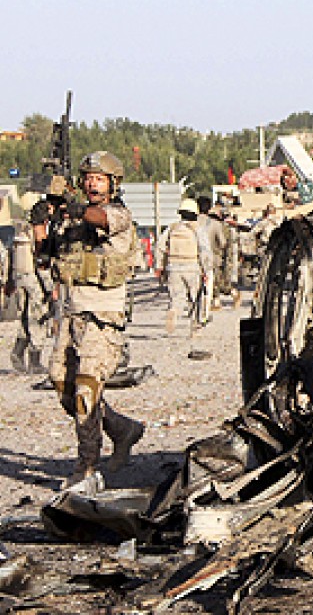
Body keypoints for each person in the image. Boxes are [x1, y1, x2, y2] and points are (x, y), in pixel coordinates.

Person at [47, 151, 144, 490]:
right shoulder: (74, 221)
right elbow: (47, 255)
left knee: (85, 392)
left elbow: (100, 219)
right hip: (73, 315)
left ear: (112, 184)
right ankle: (121, 429)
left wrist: (74, 209)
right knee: (62, 386)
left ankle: (86, 468)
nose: (91, 183)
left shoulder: (118, 215)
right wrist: (43, 217)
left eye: (99, 179)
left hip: (104, 317)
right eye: (87, 178)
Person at [154, 198, 213, 335]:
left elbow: (160, 247)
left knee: (176, 298)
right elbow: (204, 250)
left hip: (173, 267)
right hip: (192, 267)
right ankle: (195, 327)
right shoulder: (197, 229)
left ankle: (173, 311)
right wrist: (206, 269)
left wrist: (160, 266)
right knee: (195, 299)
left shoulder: (172, 228)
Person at [7, 220, 48, 373]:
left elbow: (11, 256)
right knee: (39, 318)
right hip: (34, 281)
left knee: (25, 317)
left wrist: (9, 280)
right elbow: (41, 261)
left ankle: (18, 352)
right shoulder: (37, 233)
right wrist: (49, 286)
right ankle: (34, 361)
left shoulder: (21, 231)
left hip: (20, 278)